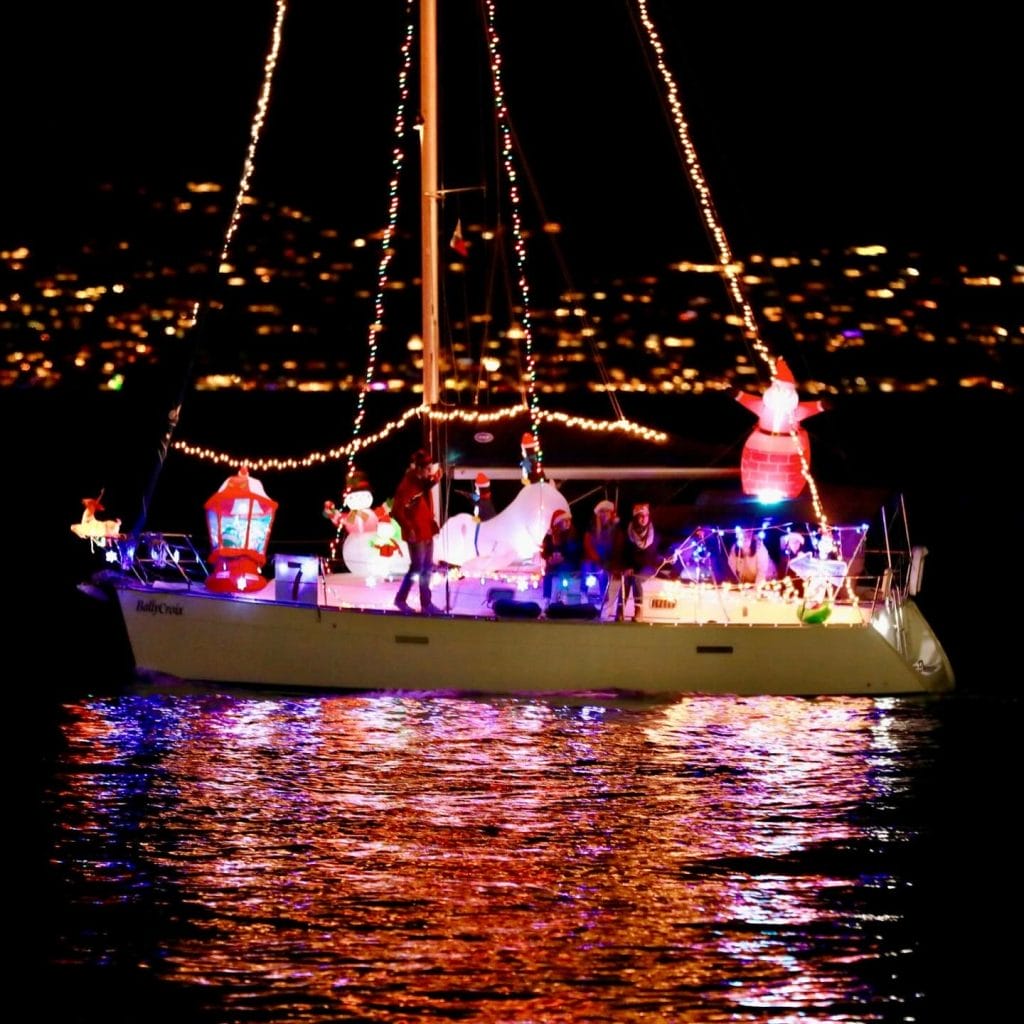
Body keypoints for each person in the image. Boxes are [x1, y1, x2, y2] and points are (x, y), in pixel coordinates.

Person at [391, 448, 443, 614]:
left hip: (426, 530)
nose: (429, 472)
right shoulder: (408, 484)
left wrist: (437, 477)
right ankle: (400, 599)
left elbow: (427, 484)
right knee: (417, 568)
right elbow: (396, 511)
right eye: (427, 469)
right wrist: (409, 528)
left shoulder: (422, 481)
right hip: (417, 533)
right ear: (418, 469)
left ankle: (426, 603)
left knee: (426, 569)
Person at [619, 501, 661, 619]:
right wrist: (627, 567)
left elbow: (652, 555)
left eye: (646, 516)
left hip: (648, 565)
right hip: (633, 565)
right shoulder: (628, 531)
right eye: (640, 516)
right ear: (635, 517)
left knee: (636, 579)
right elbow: (626, 552)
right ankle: (620, 611)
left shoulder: (654, 532)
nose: (643, 519)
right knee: (626, 579)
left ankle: (638, 611)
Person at [582, 498, 623, 611]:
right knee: (586, 567)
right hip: (593, 560)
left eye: (607, 512)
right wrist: (597, 559)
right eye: (601, 511)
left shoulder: (616, 531)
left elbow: (617, 549)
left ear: (611, 514)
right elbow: (588, 546)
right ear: (597, 514)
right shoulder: (591, 529)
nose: (604, 514)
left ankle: (604, 600)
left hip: (608, 562)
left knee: (603, 573)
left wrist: (613, 564)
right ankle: (583, 594)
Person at [541, 508, 582, 604]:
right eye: (565, 521)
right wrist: (549, 558)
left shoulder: (574, 535)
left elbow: (577, 553)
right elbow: (545, 552)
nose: (568, 523)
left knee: (564, 570)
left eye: (569, 521)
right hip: (554, 566)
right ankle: (546, 599)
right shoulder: (550, 536)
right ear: (558, 523)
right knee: (548, 575)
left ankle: (566, 599)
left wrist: (563, 558)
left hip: (570, 565)